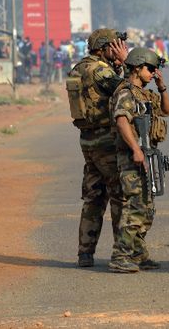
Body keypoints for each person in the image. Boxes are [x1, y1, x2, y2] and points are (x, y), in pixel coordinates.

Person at [66, 28, 128, 268]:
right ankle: (122, 252)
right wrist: (124, 62)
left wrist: (117, 66)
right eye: (114, 46)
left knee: (93, 196)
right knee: (118, 196)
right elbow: (127, 91)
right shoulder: (100, 70)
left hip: (88, 140)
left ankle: (85, 253)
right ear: (104, 49)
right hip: (106, 141)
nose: (118, 50)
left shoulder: (79, 68)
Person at [108, 47, 169, 273]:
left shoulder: (144, 93)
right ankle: (120, 255)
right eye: (150, 69)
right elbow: (122, 120)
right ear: (137, 67)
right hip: (132, 157)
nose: (153, 73)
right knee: (135, 207)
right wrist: (136, 149)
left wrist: (161, 87)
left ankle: (138, 252)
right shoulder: (125, 92)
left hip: (148, 154)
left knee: (147, 209)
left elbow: (166, 110)